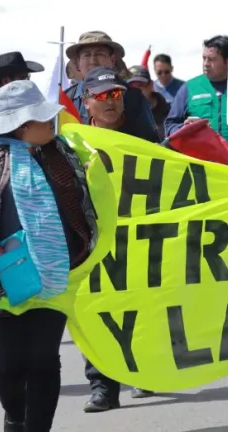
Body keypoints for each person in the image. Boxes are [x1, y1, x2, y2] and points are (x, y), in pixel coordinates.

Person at [0, 81, 99, 432]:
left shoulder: (62, 156)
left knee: (44, 359)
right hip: (3, 277)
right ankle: (15, 417)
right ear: (24, 125)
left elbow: (84, 206)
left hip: (57, 272)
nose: (52, 123)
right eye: (44, 119)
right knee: (7, 366)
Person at [79, 66, 159, 411]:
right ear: (86, 102)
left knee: (143, 308)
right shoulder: (73, 142)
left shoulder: (146, 140)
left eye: (115, 94)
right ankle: (102, 387)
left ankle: (143, 370)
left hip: (141, 238)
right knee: (96, 312)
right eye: (101, 95)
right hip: (94, 241)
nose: (110, 101)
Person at [165, 35, 228, 140]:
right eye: (204, 58)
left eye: (212, 59)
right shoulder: (189, 88)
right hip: (200, 150)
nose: (206, 64)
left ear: (227, 61)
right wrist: (186, 128)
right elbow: (170, 125)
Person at [64, 31, 128, 122]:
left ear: (113, 60)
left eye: (100, 54)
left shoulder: (133, 95)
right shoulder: (66, 98)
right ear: (78, 63)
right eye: (87, 55)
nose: (93, 61)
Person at [125, 65, 171, 140]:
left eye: (140, 85)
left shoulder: (172, 112)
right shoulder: (123, 116)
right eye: (131, 87)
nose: (136, 91)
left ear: (151, 85)